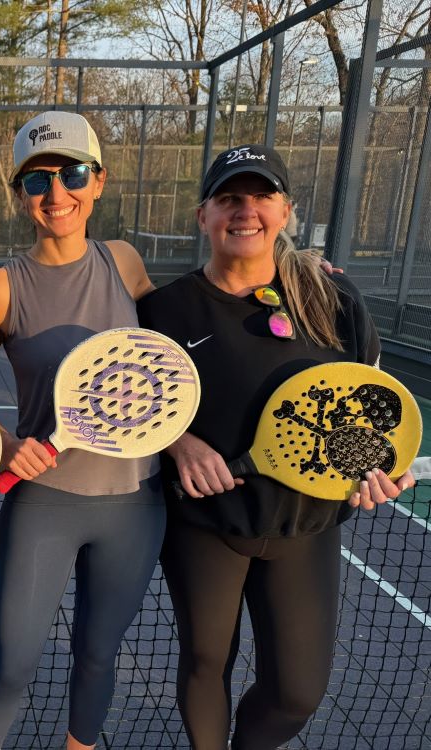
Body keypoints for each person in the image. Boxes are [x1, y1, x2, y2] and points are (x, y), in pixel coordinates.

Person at [136, 144, 416, 750]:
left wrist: (383, 469)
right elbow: (134, 409)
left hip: (307, 526)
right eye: (229, 198)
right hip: (206, 522)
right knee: (205, 662)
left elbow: (373, 410)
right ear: (204, 216)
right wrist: (180, 444)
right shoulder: (162, 311)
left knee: (297, 693)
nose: (246, 211)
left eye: (262, 196)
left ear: (285, 211)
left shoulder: (335, 300)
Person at [0, 111, 164, 750]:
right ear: (20, 195)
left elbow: (177, 344)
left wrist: (284, 277)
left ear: (98, 181)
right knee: (14, 666)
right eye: (37, 180)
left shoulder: (125, 262)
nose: (56, 193)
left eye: (72, 174)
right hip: (42, 502)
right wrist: (4, 445)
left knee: (98, 656)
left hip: (136, 504)